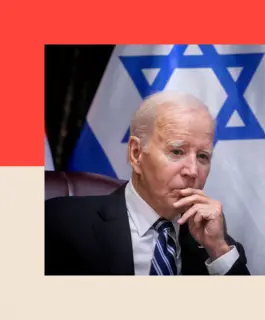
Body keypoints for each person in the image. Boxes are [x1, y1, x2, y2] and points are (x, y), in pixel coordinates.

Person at [45, 91, 250, 275]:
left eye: (203, 157)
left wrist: (217, 249)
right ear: (136, 154)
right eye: (177, 152)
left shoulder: (215, 246)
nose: (193, 171)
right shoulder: (62, 223)